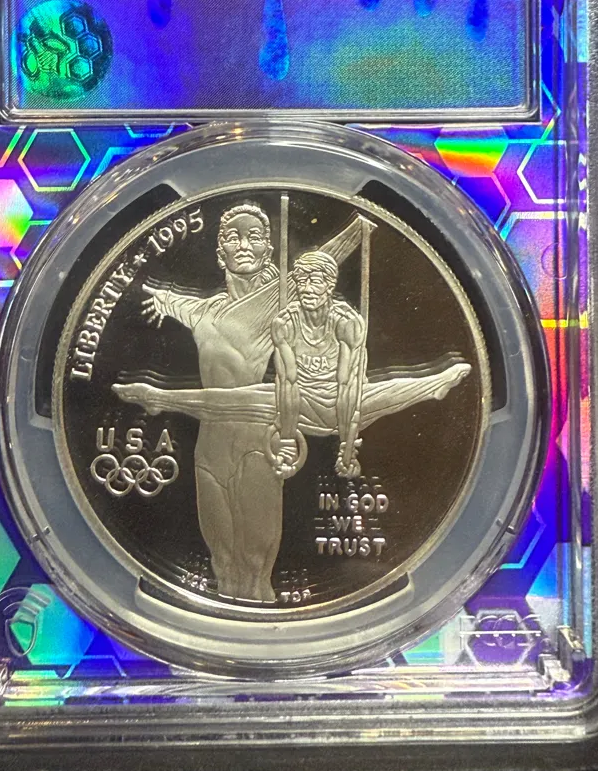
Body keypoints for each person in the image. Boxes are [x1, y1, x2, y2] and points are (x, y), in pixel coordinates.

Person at [114, 247, 471, 591]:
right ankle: (158, 397)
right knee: (236, 399)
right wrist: (286, 436)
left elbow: (349, 384)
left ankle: (434, 385)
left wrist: (347, 446)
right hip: (299, 402)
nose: (308, 289)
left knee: (387, 391)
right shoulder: (285, 323)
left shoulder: (347, 323)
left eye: (316, 281)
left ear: (330, 285)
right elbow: (287, 382)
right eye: (302, 282)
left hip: (342, 402)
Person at [119, 203, 365, 603]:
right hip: (209, 449)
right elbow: (174, 301)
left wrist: (360, 225)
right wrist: (161, 297)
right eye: (234, 238)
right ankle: (215, 633)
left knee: (255, 565)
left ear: (268, 249)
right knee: (221, 562)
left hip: (257, 445)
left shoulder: (280, 299)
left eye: (255, 237)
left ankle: (268, 635)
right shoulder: (204, 310)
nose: (245, 245)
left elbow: (326, 257)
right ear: (221, 253)